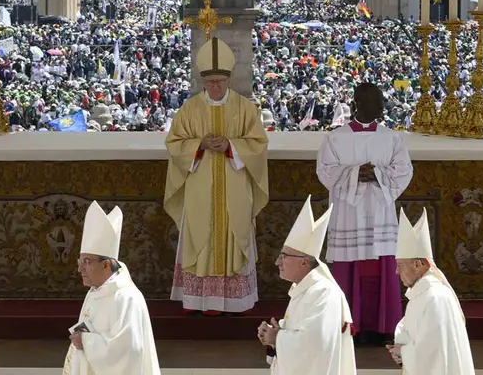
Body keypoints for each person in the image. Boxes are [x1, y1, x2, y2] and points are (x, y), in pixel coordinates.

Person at [164, 37, 269, 315]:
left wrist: (232, 146)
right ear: (202, 81)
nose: (215, 87)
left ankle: (234, 300)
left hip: (235, 188)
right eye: (210, 82)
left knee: (234, 232)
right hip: (200, 188)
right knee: (201, 233)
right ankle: (199, 299)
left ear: (229, 79)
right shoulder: (189, 109)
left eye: (220, 82)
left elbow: (258, 144)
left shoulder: (246, 109)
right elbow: (174, 144)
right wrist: (199, 145)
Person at [316, 82, 413, 342]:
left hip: (381, 214)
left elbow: (404, 170)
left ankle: (384, 328)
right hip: (349, 215)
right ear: (359, 102)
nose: (382, 106)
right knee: (349, 269)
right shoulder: (336, 138)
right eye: (376, 101)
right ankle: (349, 326)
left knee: (383, 267)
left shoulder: (391, 138)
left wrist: (377, 174)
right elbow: (325, 171)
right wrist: (358, 173)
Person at [258, 195, 356, 375]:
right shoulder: (304, 290)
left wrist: (277, 337)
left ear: (304, 262)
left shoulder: (324, 292)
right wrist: (274, 336)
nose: (277, 262)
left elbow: (315, 343)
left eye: (284, 257)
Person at [63, 201, 160, 374]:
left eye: (87, 261)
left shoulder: (127, 298)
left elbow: (129, 350)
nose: (80, 268)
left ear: (106, 265)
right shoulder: (94, 292)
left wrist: (86, 341)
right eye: (80, 261)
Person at [387, 208, 474, 374]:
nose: (397, 272)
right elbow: (411, 330)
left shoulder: (436, 297)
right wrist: (400, 347)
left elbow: (433, 354)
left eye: (400, 265)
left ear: (418, 265)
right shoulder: (421, 294)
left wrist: (403, 352)